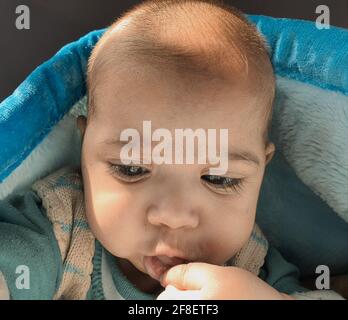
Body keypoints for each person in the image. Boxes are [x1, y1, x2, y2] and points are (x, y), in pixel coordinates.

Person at [0, 0, 344, 300]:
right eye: (132, 169)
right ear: (85, 145)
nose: (175, 216)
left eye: (218, 178)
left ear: (261, 170)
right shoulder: (62, 228)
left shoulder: (249, 264)